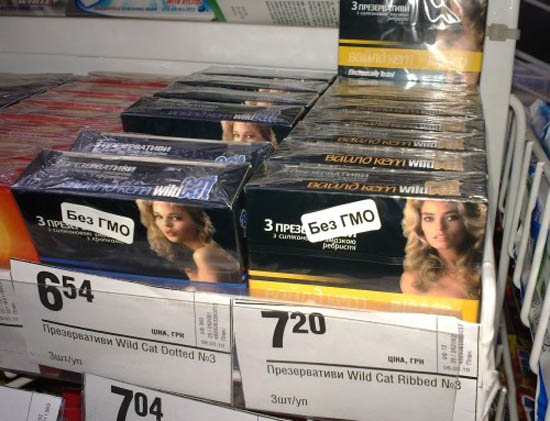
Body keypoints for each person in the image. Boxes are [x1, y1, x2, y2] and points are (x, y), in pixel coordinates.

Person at [136, 200, 241, 283]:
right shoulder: (192, 254)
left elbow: (208, 299)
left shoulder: (203, 255)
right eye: (159, 216)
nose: (166, 224)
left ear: (196, 219)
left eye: (175, 218)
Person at [400, 199, 486, 299]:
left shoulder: (490, 269)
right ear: (420, 225)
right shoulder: (414, 281)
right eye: (429, 219)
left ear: (469, 222)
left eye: (451, 217)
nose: (439, 227)